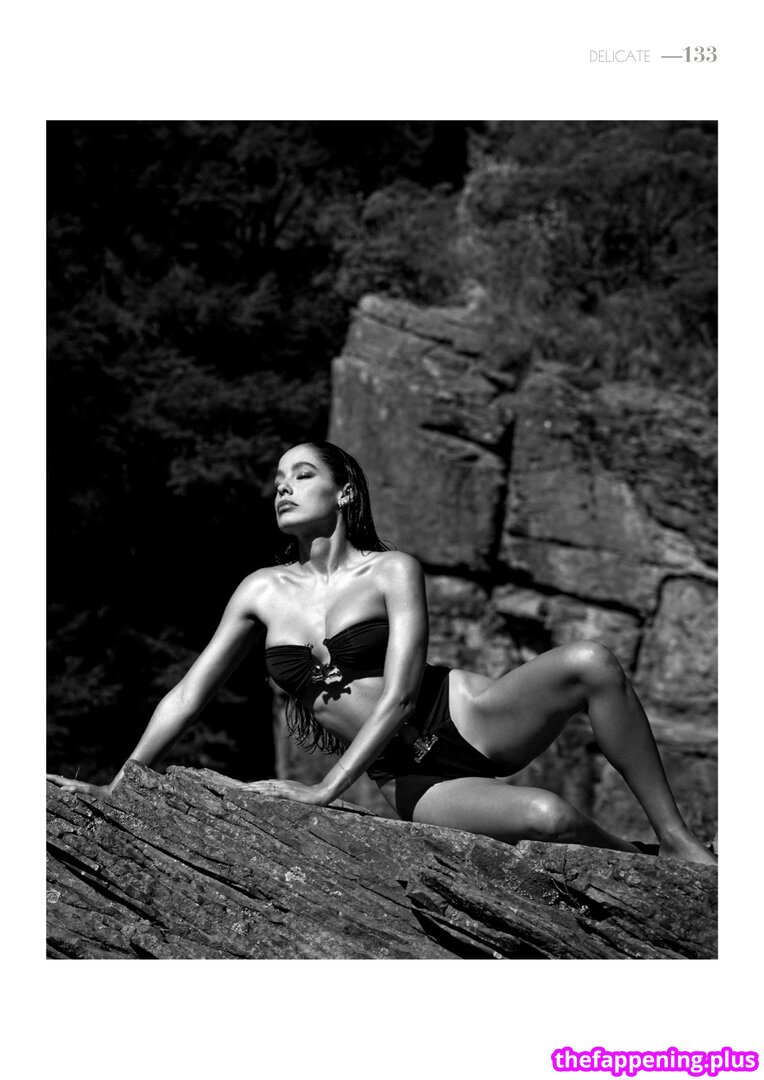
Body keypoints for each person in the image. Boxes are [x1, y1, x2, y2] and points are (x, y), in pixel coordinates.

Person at [48, 441, 716, 865]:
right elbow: (190, 693)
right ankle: (641, 860)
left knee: (593, 661)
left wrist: (323, 791)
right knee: (551, 817)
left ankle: (678, 839)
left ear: (343, 491)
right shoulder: (261, 590)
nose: (283, 487)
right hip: (409, 775)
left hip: (466, 715)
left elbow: (398, 695)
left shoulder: (392, 570)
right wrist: (124, 780)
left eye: (301, 474)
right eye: (278, 479)